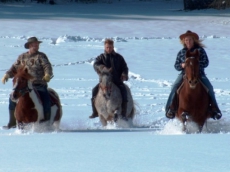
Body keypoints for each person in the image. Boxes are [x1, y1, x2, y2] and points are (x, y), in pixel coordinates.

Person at [165, 30, 222, 120]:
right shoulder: (181, 52)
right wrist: (182, 65)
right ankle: (171, 108)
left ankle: (214, 109)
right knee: (174, 87)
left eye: (190, 40)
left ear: (194, 40)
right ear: (184, 41)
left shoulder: (200, 50)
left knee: (209, 88)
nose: (188, 42)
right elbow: (176, 65)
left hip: (199, 74)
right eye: (186, 40)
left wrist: (197, 63)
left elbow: (206, 62)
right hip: (184, 74)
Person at [1, 37, 53, 129]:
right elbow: (14, 68)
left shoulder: (41, 56)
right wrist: (7, 75)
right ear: (29, 45)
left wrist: (47, 75)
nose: (36, 46)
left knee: (46, 100)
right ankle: (12, 122)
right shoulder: (22, 57)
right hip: (23, 86)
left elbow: (47, 66)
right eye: (34, 44)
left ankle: (46, 123)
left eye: (37, 44)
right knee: (12, 98)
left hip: (38, 84)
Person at [89, 39, 129, 119]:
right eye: (107, 47)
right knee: (94, 91)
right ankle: (95, 112)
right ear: (104, 47)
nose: (108, 49)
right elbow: (95, 64)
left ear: (113, 47)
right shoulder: (101, 57)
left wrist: (124, 74)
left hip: (117, 81)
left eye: (110, 47)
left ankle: (124, 113)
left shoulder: (119, 58)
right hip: (104, 82)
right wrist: (102, 67)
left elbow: (125, 67)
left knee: (124, 92)